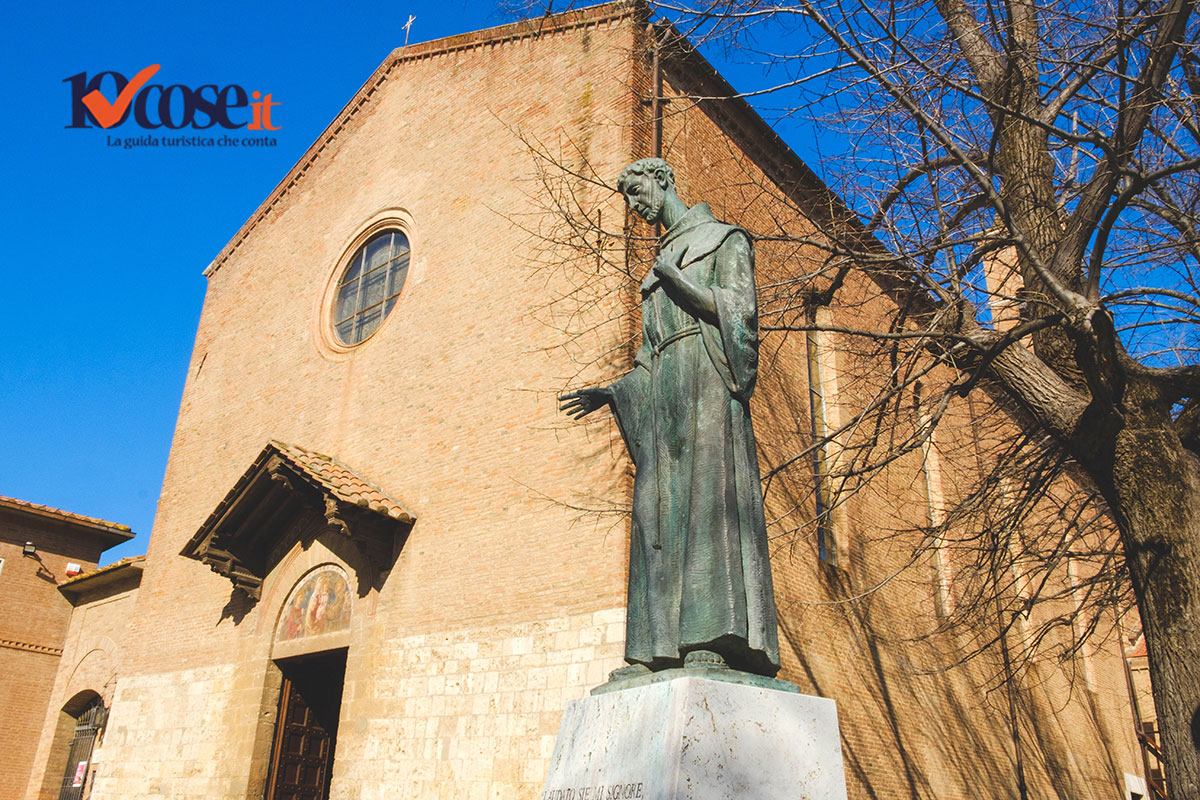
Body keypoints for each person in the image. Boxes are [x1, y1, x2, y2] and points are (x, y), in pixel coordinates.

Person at [560, 158, 781, 678]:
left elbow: (741, 314)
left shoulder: (724, 240)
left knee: (707, 503)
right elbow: (647, 353)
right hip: (662, 392)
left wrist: (677, 280)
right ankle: (654, 646)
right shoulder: (657, 265)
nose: (634, 206)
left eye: (637, 192)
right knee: (653, 511)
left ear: (662, 181)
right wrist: (614, 391)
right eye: (627, 198)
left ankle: (711, 636)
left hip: (707, 377)